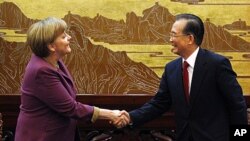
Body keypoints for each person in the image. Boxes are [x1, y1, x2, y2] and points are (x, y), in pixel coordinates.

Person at [117, 13, 248, 141]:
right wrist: (130, 116)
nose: (170, 40)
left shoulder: (217, 64)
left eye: (174, 35)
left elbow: (237, 104)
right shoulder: (171, 69)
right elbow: (159, 104)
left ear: (190, 39)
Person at [14, 17, 128, 141]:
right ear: (51, 46)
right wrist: (111, 114)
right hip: (42, 136)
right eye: (63, 37)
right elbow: (70, 108)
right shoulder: (41, 71)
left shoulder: (53, 61)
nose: (69, 37)